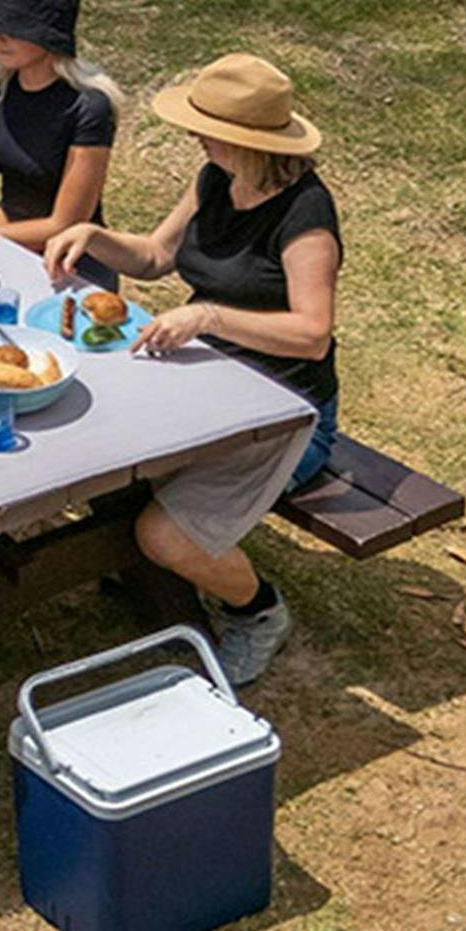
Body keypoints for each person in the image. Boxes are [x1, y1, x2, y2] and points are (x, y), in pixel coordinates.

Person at [43, 54, 341, 685]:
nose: (193, 135)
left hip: (283, 414)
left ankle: (259, 613)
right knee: (84, 441)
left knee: (166, 536)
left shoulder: (305, 214)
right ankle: (138, 576)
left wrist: (209, 318)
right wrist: (90, 235)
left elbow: (313, 335)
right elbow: (155, 256)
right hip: (205, 382)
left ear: (248, 139)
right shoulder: (214, 177)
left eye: (205, 126)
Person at [0, 0, 123, 289]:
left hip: (70, 259)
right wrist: (0, 241)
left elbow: (67, 223)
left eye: (15, 29)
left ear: (50, 39)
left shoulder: (89, 106)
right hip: (2, 239)